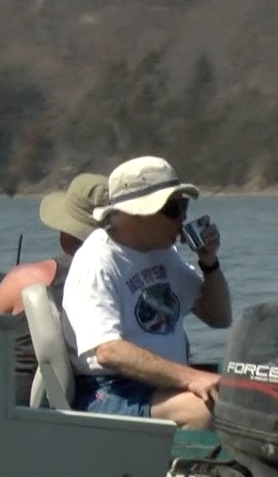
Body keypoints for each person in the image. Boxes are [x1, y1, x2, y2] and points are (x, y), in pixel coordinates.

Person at [60, 156, 232, 429]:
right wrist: (191, 378)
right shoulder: (97, 263)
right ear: (138, 213)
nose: (183, 219)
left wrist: (209, 263)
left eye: (183, 206)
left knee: (255, 396)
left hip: (163, 383)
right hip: (111, 390)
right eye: (174, 209)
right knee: (206, 410)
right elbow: (109, 352)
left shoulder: (164, 254)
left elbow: (219, 317)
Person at [0, 173, 109, 405]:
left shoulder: (25, 279)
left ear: (67, 231)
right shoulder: (124, 278)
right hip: (91, 400)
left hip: (17, 405)